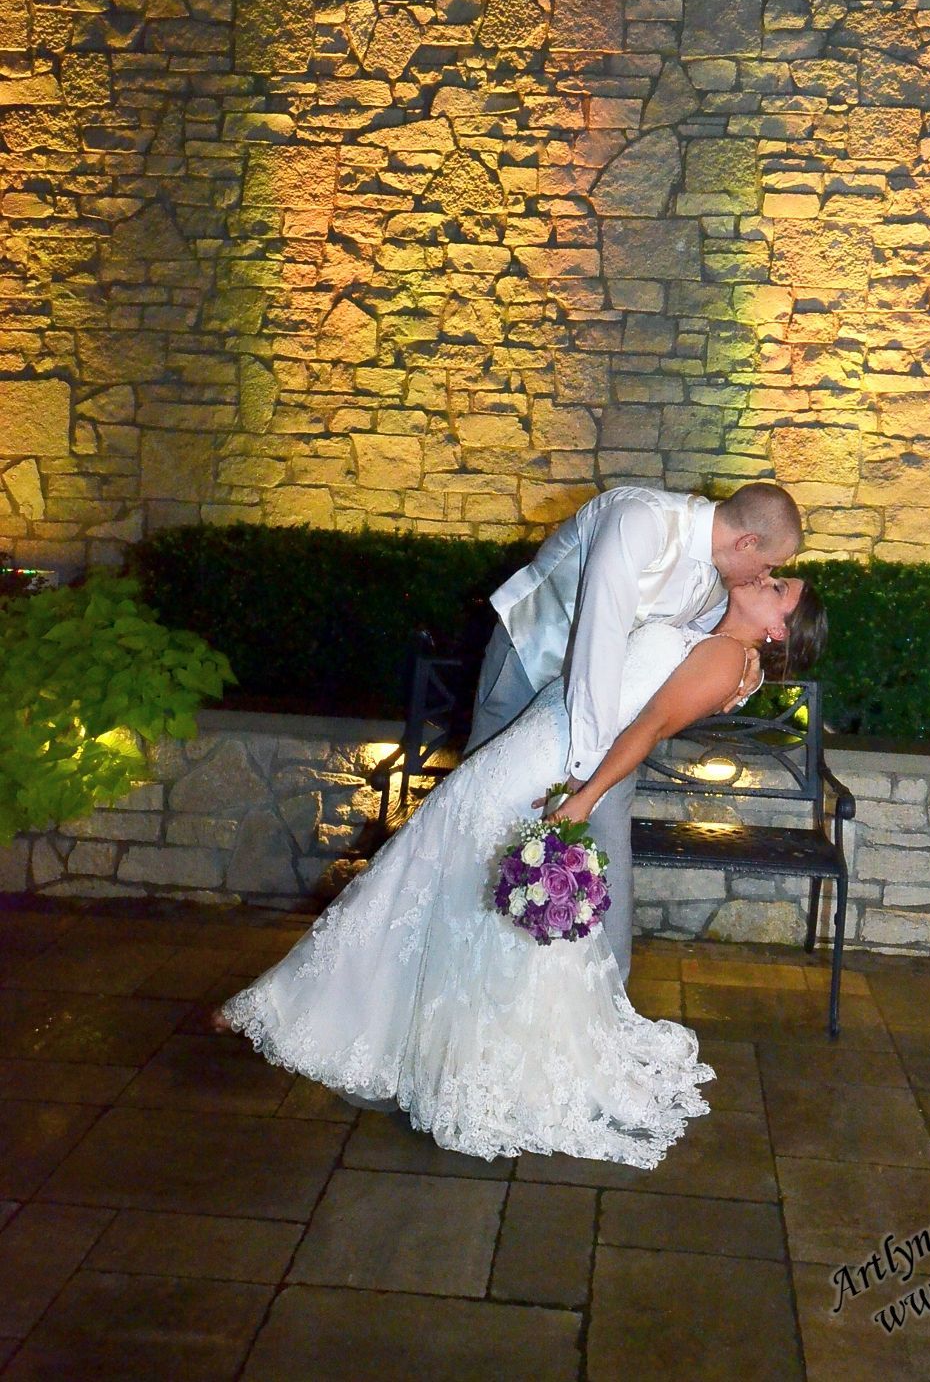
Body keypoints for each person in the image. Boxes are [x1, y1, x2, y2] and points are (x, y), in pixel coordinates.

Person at [214, 574, 827, 1170]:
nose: (766, 579)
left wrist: (582, 801)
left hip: (546, 764)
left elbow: (647, 728)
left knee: (449, 889)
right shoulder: (714, 635)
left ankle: (445, 1054)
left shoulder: (724, 656)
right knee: (424, 879)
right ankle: (329, 1013)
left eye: (779, 590)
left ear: (777, 631)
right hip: (534, 745)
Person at [465, 482, 805, 978]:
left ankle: (608, 997)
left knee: (606, 829)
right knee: (482, 813)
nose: (766, 575)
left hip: (612, 714)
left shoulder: (719, 578)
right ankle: (468, 971)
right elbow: (597, 643)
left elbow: (710, 649)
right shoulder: (640, 522)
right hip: (530, 662)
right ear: (747, 543)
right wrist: (584, 766)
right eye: (770, 567)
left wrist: (750, 668)